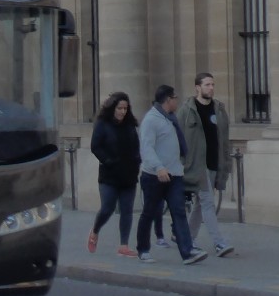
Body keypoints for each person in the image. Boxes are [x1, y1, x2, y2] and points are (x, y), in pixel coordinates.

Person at [135, 84, 207, 265]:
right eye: (175, 98)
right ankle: (143, 249)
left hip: (174, 175)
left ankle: (187, 252)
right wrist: (159, 167)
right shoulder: (151, 120)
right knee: (149, 213)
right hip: (154, 176)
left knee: (179, 212)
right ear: (168, 99)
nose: (177, 101)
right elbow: (146, 148)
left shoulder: (170, 119)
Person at [177, 72, 234, 257]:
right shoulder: (187, 111)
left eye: (212, 84)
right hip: (196, 165)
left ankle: (187, 238)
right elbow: (177, 139)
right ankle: (219, 243)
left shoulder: (219, 109)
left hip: (212, 163)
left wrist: (225, 163)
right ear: (197, 88)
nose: (211, 88)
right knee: (208, 202)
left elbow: (224, 139)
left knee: (201, 205)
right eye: (207, 84)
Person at [87, 92, 140, 257]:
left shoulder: (130, 125)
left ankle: (124, 245)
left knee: (127, 210)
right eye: (119, 108)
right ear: (112, 108)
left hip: (129, 174)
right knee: (107, 208)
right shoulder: (103, 124)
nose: (122, 112)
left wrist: (137, 162)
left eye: (125, 108)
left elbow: (136, 146)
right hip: (109, 175)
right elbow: (95, 146)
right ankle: (95, 230)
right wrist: (107, 160)